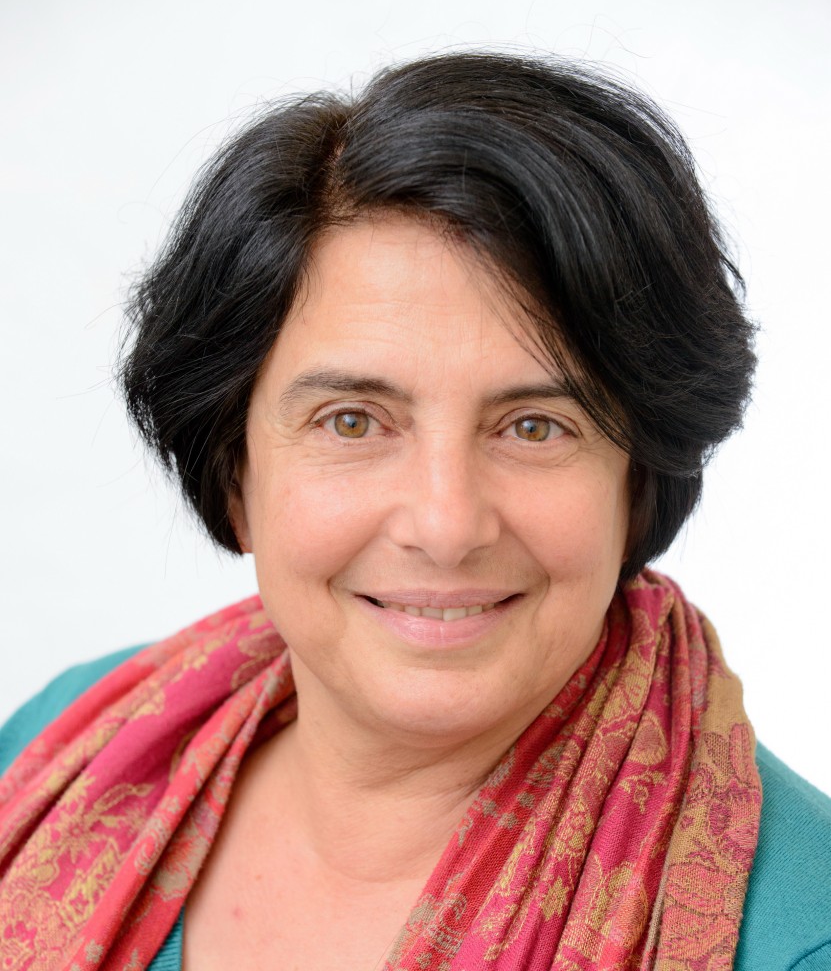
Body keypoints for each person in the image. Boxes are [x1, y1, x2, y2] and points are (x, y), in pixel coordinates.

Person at [1, 51, 829, 971]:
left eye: (534, 427)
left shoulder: (799, 939)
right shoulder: (54, 754)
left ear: (637, 484)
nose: (445, 525)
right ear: (233, 473)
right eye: (351, 421)